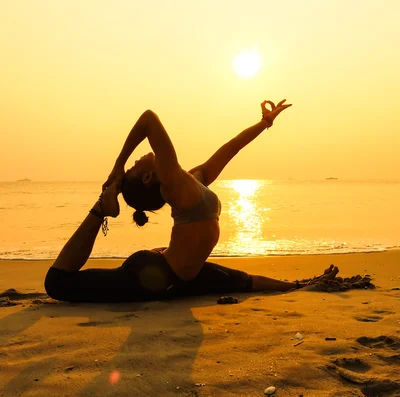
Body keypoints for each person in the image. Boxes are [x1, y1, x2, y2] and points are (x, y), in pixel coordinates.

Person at [45, 100, 339, 303]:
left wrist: (264, 123)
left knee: (249, 281)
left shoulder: (191, 180)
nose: (138, 158)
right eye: (136, 165)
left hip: (181, 273)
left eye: (133, 162)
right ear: (149, 177)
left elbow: (231, 148)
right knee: (58, 284)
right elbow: (148, 118)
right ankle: (101, 209)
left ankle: (299, 285)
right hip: (156, 275)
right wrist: (118, 168)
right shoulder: (172, 183)